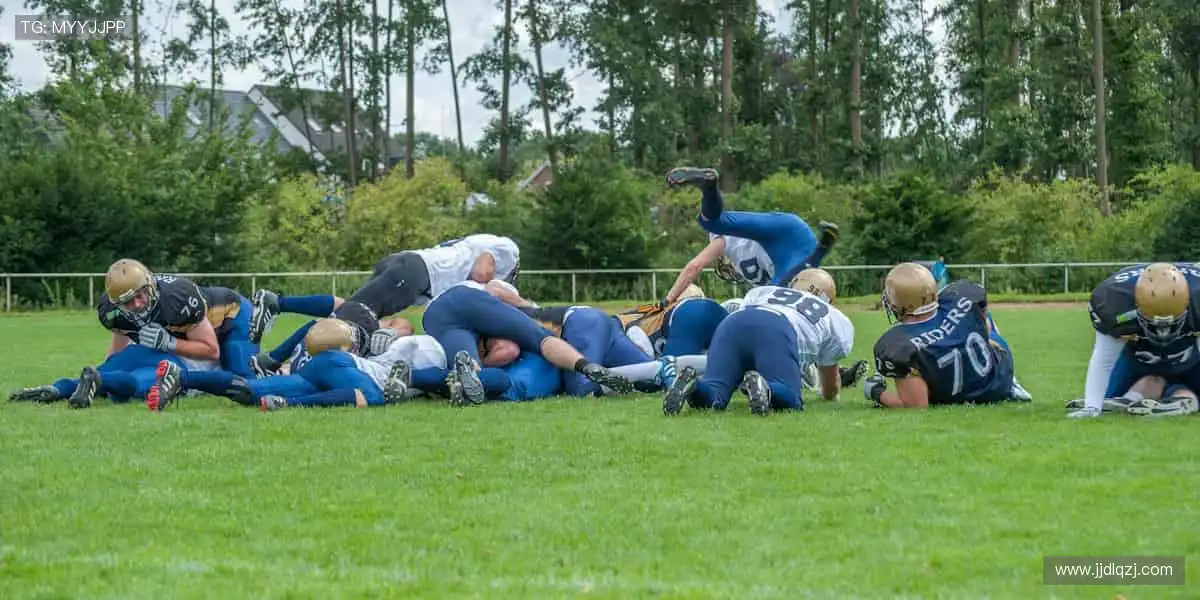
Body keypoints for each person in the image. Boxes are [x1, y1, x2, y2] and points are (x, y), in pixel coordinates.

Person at [248, 234, 520, 342]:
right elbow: (482, 270)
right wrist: (489, 294)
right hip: (417, 272)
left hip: (409, 268)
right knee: (353, 319)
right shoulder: (507, 249)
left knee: (351, 310)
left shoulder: (465, 248)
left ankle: (280, 304)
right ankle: (277, 358)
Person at [662, 276, 856, 416]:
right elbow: (830, 383)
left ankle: (694, 385)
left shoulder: (766, 291)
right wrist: (829, 395)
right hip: (776, 330)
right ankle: (767, 389)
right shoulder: (834, 317)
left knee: (714, 394)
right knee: (790, 398)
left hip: (733, 324)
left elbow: (748, 313)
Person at [659, 167, 839, 304]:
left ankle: (820, 251)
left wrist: (668, 299)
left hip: (785, 240)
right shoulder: (752, 269)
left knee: (773, 298)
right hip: (791, 236)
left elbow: (694, 266)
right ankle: (709, 185)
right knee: (711, 221)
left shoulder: (723, 242)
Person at [863, 263, 1030, 408]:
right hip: (1000, 379)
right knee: (979, 314)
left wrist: (876, 393)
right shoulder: (962, 296)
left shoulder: (896, 344)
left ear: (897, 305)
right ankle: (1013, 385)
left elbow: (916, 405)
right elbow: (984, 329)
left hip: (955, 394)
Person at [1066, 263, 1200, 418]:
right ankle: (1137, 397)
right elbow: (1105, 355)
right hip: (1137, 359)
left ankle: (1179, 397)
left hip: (1190, 358)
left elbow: (1104, 359)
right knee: (1109, 395)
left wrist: (1092, 407)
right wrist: (1092, 407)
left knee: (1188, 388)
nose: (1163, 332)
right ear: (1136, 304)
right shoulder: (1115, 300)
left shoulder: (1197, 300)